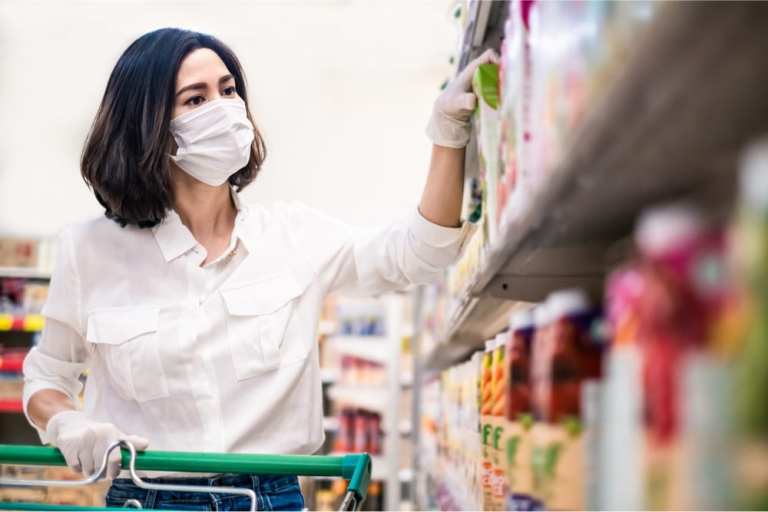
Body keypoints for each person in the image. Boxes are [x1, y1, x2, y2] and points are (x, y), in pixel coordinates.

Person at [22, 27, 498, 511]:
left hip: (271, 496)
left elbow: (421, 253)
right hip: (147, 497)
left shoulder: (293, 237)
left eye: (229, 91)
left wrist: (447, 136)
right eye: (196, 99)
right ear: (147, 124)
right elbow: (47, 378)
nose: (225, 108)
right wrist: (68, 423)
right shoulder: (90, 251)